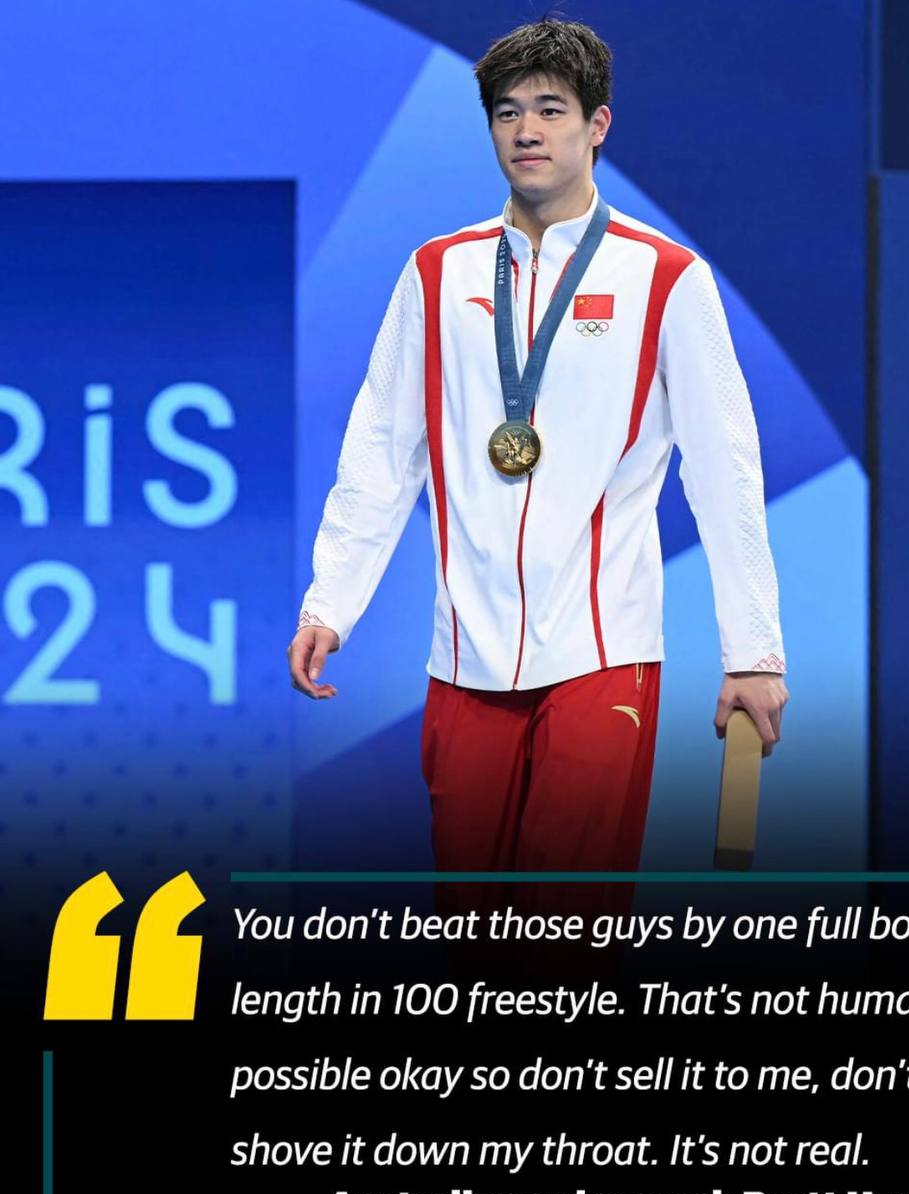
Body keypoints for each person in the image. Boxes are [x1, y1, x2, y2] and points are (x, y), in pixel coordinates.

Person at [287, 18, 788, 923]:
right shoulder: (436, 274)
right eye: (508, 112)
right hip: (463, 658)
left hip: (602, 656)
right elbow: (381, 450)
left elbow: (725, 472)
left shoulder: (665, 279)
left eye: (551, 110)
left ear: (597, 125)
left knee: (563, 936)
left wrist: (751, 652)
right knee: (475, 942)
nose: (527, 131)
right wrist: (331, 600)